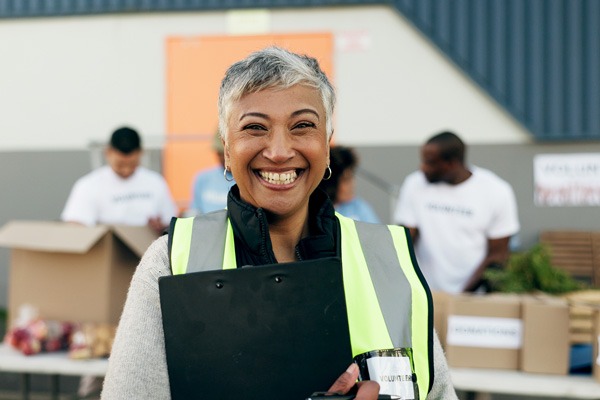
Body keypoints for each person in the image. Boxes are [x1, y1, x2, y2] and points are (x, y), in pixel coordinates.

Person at [101, 47, 457, 399]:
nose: (280, 150)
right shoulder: (170, 262)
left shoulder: (390, 259)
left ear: (327, 143)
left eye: (303, 125)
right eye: (255, 127)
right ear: (227, 149)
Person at [393, 131, 520, 293]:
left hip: (472, 298)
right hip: (425, 296)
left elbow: (498, 255)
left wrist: (463, 297)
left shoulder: (497, 191)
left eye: (430, 162)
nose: (422, 167)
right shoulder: (414, 184)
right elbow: (405, 240)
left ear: (452, 164)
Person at [61, 126, 177, 233]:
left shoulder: (155, 182)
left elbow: (171, 220)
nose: (126, 170)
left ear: (141, 153)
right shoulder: (88, 185)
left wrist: (162, 226)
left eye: (132, 164)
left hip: (148, 250)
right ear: (108, 153)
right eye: (120, 164)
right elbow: (74, 224)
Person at [318, 145, 380, 223]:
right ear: (330, 183)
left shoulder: (359, 207)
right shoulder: (316, 211)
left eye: (352, 177)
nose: (353, 185)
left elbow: (375, 233)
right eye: (346, 180)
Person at [187, 130, 235, 215]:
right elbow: (194, 212)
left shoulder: (245, 180)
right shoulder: (203, 178)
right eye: (219, 153)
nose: (223, 158)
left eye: (226, 153)